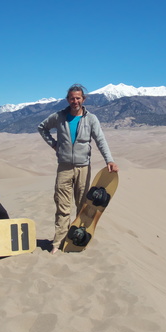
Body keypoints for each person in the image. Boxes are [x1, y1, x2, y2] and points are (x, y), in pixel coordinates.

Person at [37, 84, 119, 254]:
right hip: (64, 167)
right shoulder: (59, 116)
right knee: (62, 206)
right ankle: (58, 241)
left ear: (83, 99)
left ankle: (77, 239)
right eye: (72, 98)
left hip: (83, 167)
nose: (75, 101)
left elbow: (100, 140)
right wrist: (54, 144)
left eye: (78, 98)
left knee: (83, 206)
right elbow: (42, 128)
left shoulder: (91, 119)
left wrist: (109, 160)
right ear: (68, 99)